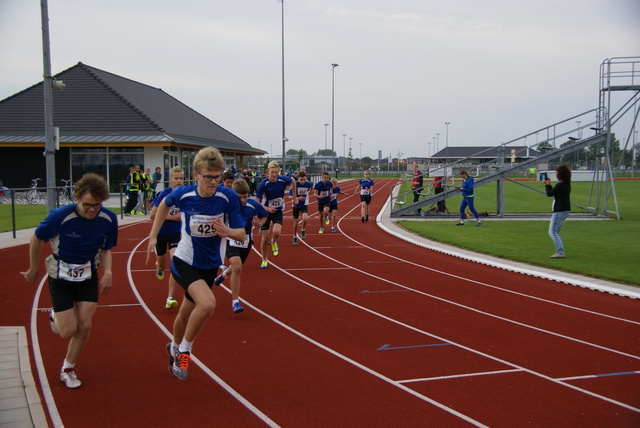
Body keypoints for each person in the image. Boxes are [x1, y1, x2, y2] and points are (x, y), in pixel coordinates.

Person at [146, 147, 246, 380]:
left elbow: (241, 234)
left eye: (217, 176)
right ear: (197, 174)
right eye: (208, 177)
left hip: (210, 265)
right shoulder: (184, 194)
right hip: (184, 260)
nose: (213, 182)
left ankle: (173, 345)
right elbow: (163, 204)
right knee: (208, 304)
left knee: (185, 312)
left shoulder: (227, 197)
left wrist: (226, 230)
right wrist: (153, 235)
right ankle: (184, 353)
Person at [21, 173, 118, 389]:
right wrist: (34, 268)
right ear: (77, 198)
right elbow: (36, 237)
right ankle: (55, 314)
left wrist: (108, 272)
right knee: (67, 331)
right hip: (60, 275)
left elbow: (106, 248)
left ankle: (68, 369)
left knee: (84, 326)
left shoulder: (108, 218)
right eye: (87, 205)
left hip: (87, 275)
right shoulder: (60, 216)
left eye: (97, 205)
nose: (92, 210)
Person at [214, 179, 268, 313]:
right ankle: (235, 302)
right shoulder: (226, 206)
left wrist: (260, 224)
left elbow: (265, 215)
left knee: (235, 268)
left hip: (246, 241)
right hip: (230, 239)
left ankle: (224, 273)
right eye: (239, 197)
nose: (243, 200)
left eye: (245, 197)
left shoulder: (253, 205)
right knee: (237, 268)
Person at [150, 166, 185, 309]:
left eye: (181, 178)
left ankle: (170, 297)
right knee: (162, 265)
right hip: (160, 234)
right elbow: (152, 215)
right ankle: (158, 267)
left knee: (175, 262)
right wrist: (173, 217)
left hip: (175, 234)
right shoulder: (164, 194)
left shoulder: (184, 194)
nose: (179, 181)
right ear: (170, 179)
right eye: (176, 178)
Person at [255, 161, 296, 269]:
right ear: (268, 172)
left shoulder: (282, 180)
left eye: (276, 172)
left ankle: (274, 242)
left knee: (276, 232)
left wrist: (295, 197)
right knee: (264, 239)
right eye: (272, 172)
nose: (274, 175)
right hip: (265, 213)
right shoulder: (264, 184)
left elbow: (293, 181)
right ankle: (264, 259)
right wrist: (268, 208)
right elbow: (256, 201)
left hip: (278, 211)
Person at [544, 164, 571, 259]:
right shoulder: (566, 185)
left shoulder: (560, 185)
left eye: (557, 172)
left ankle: (560, 252)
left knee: (552, 232)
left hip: (559, 211)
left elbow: (549, 194)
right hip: (563, 210)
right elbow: (553, 193)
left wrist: (547, 185)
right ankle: (560, 251)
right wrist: (549, 185)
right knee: (555, 232)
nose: (556, 174)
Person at [291, 171, 313, 244]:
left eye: (304, 179)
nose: (303, 181)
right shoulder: (295, 185)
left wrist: (310, 191)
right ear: (298, 179)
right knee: (296, 223)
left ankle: (303, 229)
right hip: (296, 205)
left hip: (304, 204)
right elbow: (289, 196)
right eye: (301, 180)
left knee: (305, 218)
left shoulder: (308, 184)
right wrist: (298, 198)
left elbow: (311, 184)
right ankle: (294, 237)